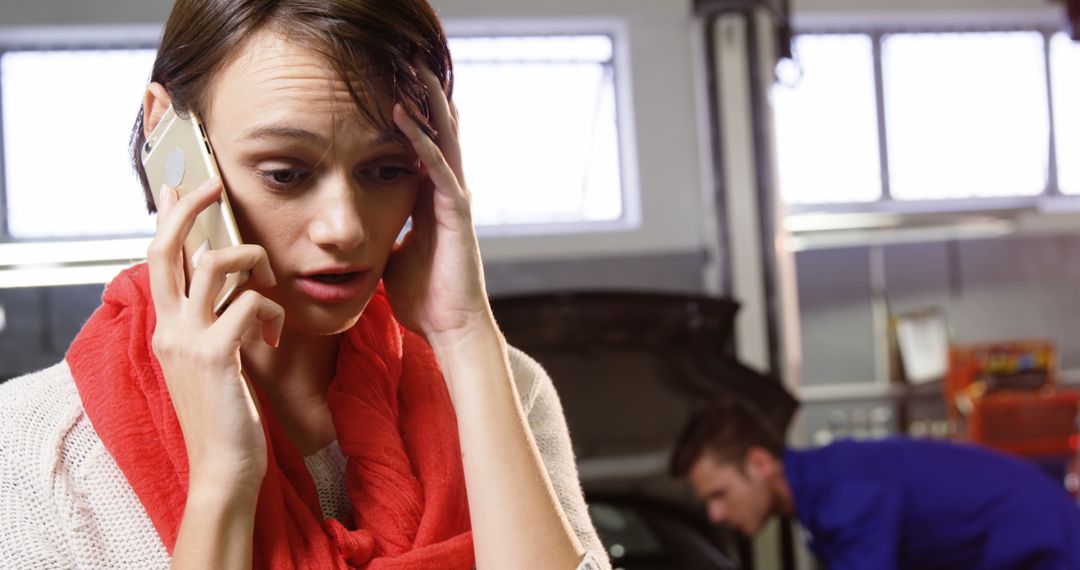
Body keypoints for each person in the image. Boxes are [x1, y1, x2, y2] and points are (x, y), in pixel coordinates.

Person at [0, 1, 610, 568]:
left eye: (389, 169)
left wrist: (465, 333)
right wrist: (221, 480)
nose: (345, 228)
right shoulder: (34, 447)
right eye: (286, 173)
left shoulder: (503, 389)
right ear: (172, 138)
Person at [669, 397, 1080, 570]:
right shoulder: (824, 489)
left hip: (1047, 550)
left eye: (719, 495)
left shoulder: (844, 493)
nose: (715, 514)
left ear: (759, 463)